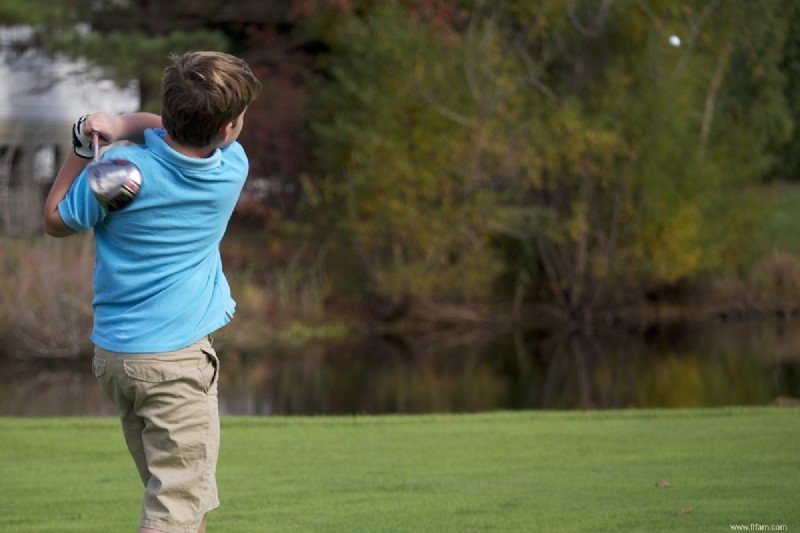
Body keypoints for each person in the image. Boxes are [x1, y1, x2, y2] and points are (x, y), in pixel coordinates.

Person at [43, 51, 261, 533]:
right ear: (227, 129)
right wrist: (123, 125)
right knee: (173, 512)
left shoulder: (121, 170)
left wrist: (86, 146)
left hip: (118, 358)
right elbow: (164, 131)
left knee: (187, 501)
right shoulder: (231, 169)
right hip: (175, 365)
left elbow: (55, 219)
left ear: (167, 111)